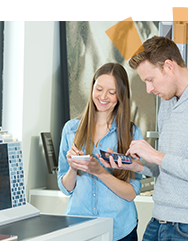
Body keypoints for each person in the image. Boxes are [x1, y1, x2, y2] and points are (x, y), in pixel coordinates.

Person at [100, 36, 188, 241]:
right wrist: (136, 165)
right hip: (159, 221)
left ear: (169, 66)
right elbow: (164, 166)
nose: (149, 89)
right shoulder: (167, 102)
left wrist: (156, 155)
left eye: (150, 80)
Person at [57, 63, 143, 241]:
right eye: (99, 89)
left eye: (111, 92)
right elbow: (65, 188)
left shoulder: (131, 134)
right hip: (79, 228)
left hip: (120, 229)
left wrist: (100, 172)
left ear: (121, 95)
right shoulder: (71, 129)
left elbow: (131, 193)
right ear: (92, 89)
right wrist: (73, 167)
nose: (103, 97)